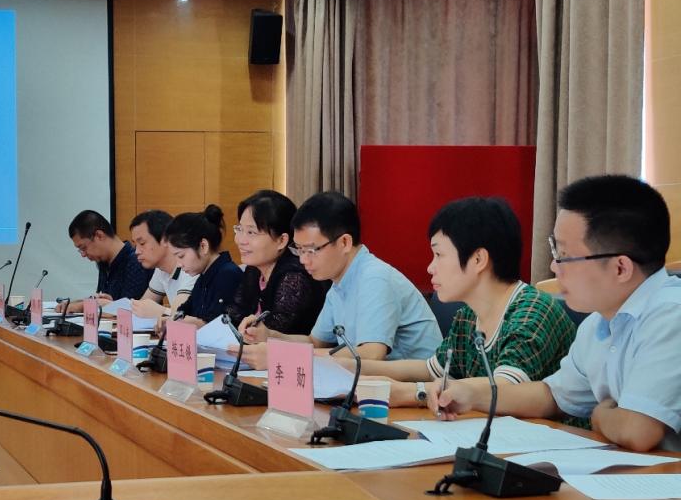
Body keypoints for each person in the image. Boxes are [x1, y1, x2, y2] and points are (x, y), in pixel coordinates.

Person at [433, 175, 681, 452]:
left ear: (620, 268)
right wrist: (472, 394)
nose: (554, 266)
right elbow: (553, 395)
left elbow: (638, 431)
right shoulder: (598, 324)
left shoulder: (671, 316)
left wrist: (599, 415)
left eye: (564, 255)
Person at [352, 197, 576, 408]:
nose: (430, 267)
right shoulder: (468, 315)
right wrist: (353, 367)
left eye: (438, 255)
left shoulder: (532, 312)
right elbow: (431, 370)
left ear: (478, 259)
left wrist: (409, 392)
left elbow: (504, 389)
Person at [242, 192, 441, 368]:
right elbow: (315, 342)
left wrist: (285, 356)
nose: (303, 260)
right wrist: (270, 336)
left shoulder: (374, 278)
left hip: (418, 388)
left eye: (311, 250)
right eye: (299, 250)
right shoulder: (339, 282)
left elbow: (371, 355)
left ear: (344, 242)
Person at [226, 190, 327, 336]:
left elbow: (271, 333)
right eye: (240, 229)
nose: (240, 240)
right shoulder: (254, 270)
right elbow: (232, 316)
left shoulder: (295, 277)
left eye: (251, 232)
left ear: (281, 241)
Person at [166, 205, 243, 325]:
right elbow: (185, 309)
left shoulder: (228, 275)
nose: (179, 265)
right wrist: (170, 320)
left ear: (203, 246)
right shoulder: (203, 276)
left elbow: (222, 325)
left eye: (181, 256)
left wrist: (184, 322)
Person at [64, 210, 152, 313]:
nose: (83, 255)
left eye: (83, 248)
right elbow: (106, 303)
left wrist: (81, 306)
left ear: (99, 235)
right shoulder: (103, 261)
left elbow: (130, 311)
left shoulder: (136, 262)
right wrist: (74, 304)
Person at [128, 209, 197, 318]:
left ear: (165, 239)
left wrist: (161, 311)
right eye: (135, 245)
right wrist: (112, 306)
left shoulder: (190, 267)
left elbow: (181, 317)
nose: (136, 251)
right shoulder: (160, 269)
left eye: (142, 243)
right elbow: (141, 307)